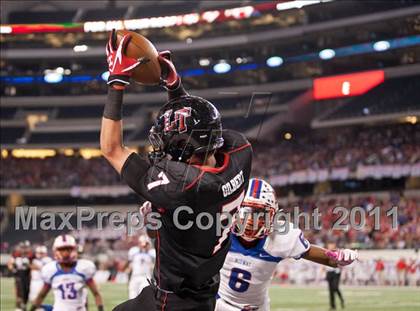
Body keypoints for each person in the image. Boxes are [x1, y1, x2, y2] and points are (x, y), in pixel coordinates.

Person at [102, 30, 252, 311]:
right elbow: (203, 128)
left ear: (181, 147)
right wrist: (175, 86)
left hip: (173, 302)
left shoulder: (182, 187)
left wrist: (116, 81)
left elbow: (111, 149)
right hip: (203, 290)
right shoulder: (240, 154)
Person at [215, 178, 358, 311]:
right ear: (235, 210)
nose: (251, 219)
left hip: (256, 307)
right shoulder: (220, 231)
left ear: (272, 215)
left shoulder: (281, 237)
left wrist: (338, 257)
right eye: (246, 211)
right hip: (219, 303)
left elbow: (325, 258)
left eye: (260, 213)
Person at [29, 234, 104, 311]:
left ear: (74, 249)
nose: (65, 253)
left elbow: (96, 293)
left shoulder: (84, 268)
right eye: (62, 249)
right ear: (55, 251)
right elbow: (41, 295)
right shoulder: (51, 270)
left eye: (68, 249)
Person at [127, 235, 155, 299]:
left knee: (144, 298)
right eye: (141, 243)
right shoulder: (133, 251)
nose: (143, 245)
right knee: (132, 298)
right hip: (134, 277)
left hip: (146, 277)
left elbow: (155, 265)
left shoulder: (152, 253)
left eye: (145, 243)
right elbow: (130, 265)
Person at [8, 241, 33, 311]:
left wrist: (28, 265)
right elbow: (10, 263)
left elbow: (34, 266)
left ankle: (24, 305)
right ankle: (18, 307)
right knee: (19, 292)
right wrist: (13, 269)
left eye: (25, 247)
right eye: (23, 247)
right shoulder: (16, 254)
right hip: (18, 276)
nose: (24, 249)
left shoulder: (31, 255)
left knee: (27, 292)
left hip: (27, 276)